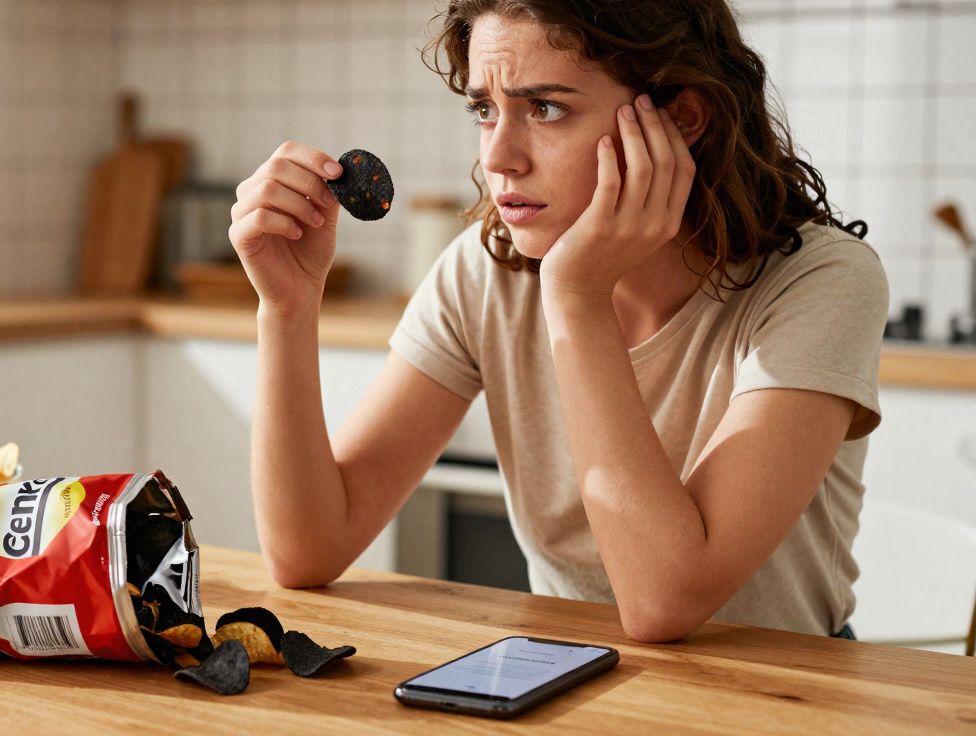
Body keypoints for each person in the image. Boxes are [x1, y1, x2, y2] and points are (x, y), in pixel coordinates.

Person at [226, 0, 886, 643]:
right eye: (486, 110)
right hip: (567, 676)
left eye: (545, 108)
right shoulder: (484, 272)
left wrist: (575, 297)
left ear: (681, 118)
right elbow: (307, 550)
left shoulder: (821, 284)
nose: (498, 157)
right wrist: (287, 308)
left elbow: (665, 602)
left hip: (782, 698)